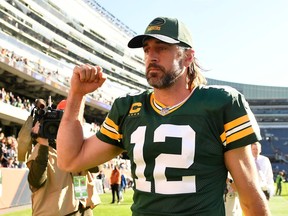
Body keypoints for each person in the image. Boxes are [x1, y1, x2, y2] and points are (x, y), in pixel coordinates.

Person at [57, 17, 271, 215]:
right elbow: (70, 160)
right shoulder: (128, 107)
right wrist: (77, 95)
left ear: (188, 57)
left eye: (162, 48)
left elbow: (250, 196)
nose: (152, 57)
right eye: (147, 50)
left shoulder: (221, 103)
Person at [27, 99, 100, 216]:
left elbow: (95, 168)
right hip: (59, 212)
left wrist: (80, 142)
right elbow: (36, 181)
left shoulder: (79, 145)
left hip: (83, 208)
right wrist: (43, 144)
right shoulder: (44, 148)